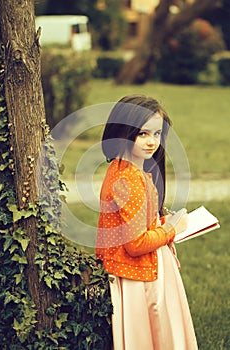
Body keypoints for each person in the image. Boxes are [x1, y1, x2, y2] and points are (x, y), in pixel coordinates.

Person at [95, 95, 198, 350]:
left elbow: (138, 224)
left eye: (157, 133)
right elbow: (136, 244)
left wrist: (162, 221)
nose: (152, 141)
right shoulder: (129, 181)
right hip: (142, 276)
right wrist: (171, 229)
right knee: (155, 334)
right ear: (124, 132)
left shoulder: (124, 169)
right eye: (142, 134)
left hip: (142, 270)